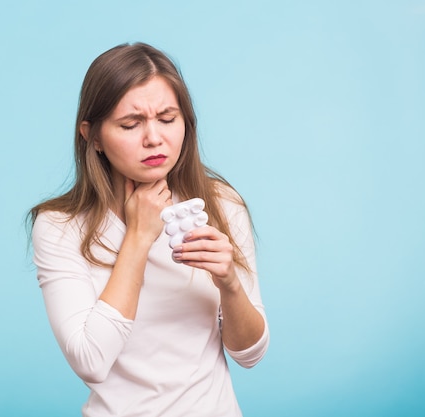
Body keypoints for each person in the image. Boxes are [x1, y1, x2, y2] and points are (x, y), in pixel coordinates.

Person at [29, 42, 269, 417]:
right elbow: (91, 361)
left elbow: (250, 354)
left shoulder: (218, 204)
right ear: (92, 136)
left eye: (168, 119)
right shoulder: (59, 227)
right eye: (130, 124)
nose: (154, 138)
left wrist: (230, 283)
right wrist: (138, 238)